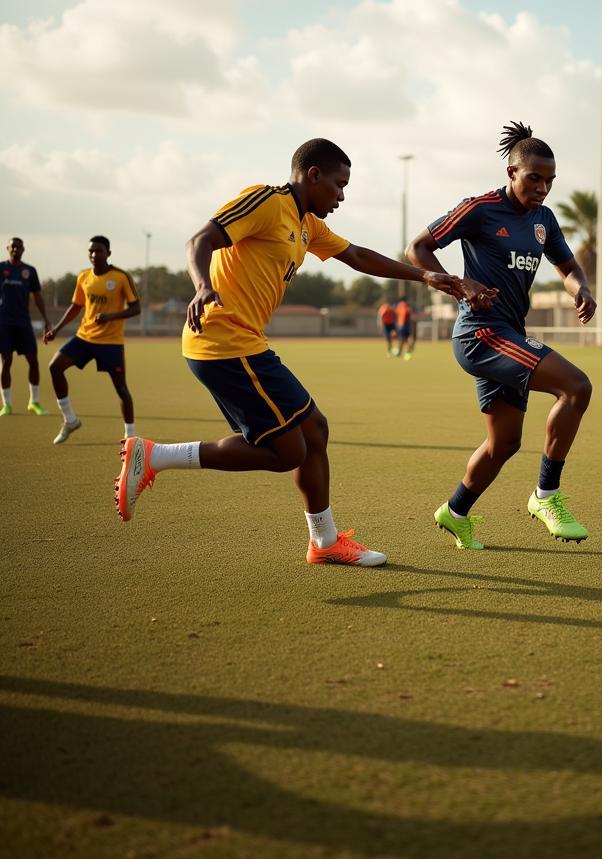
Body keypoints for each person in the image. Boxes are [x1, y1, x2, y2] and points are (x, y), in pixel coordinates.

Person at [113, 138, 476, 568]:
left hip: (245, 344)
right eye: (338, 185)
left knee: (313, 432)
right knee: (289, 452)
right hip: (223, 342)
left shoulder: (308, 226)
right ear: (313, 174)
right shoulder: (266, 201)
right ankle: (155, 456)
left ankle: (324, 542)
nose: (342, 196)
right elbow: (200, 240)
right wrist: (202, 286)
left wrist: (426, 276)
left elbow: (356, 255)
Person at [407, 121, 596, 551]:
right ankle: (546, 497)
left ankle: (454, 512)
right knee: (577, 387)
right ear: (511, 172)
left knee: (505, 443)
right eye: (534, 178)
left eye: (550, 181)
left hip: (508, 335)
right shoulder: (479, 208)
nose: (543, 188)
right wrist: (459, 283)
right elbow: (417, 248)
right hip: (480, 334)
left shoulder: (544, 219)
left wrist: (580, 289)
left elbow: (568, 268)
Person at [44, 236, 140, 444]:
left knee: (121, 388)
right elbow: (76, 306)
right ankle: (70, 419)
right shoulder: (83, 277)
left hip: (111, 342)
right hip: (84, 337)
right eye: (91, 251)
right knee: (55, 367)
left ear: (108, 253)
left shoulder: (121, 277)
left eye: (99, 251)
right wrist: (57, 329)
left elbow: (136, 308)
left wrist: (110, 316)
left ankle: (130, 436)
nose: (94, 255)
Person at [0, 237, 50, 416]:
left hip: (23, 322)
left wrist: (46, 318)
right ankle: (7, 404)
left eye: (19, 247)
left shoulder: (29, 271)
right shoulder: (1, 268)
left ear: (23, 249)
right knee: (6, 362)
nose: (15, 249)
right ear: (7, 248)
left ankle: (34, 402)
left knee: (33, 361)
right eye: (13, 246)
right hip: (4, 323)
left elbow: (37, 297)